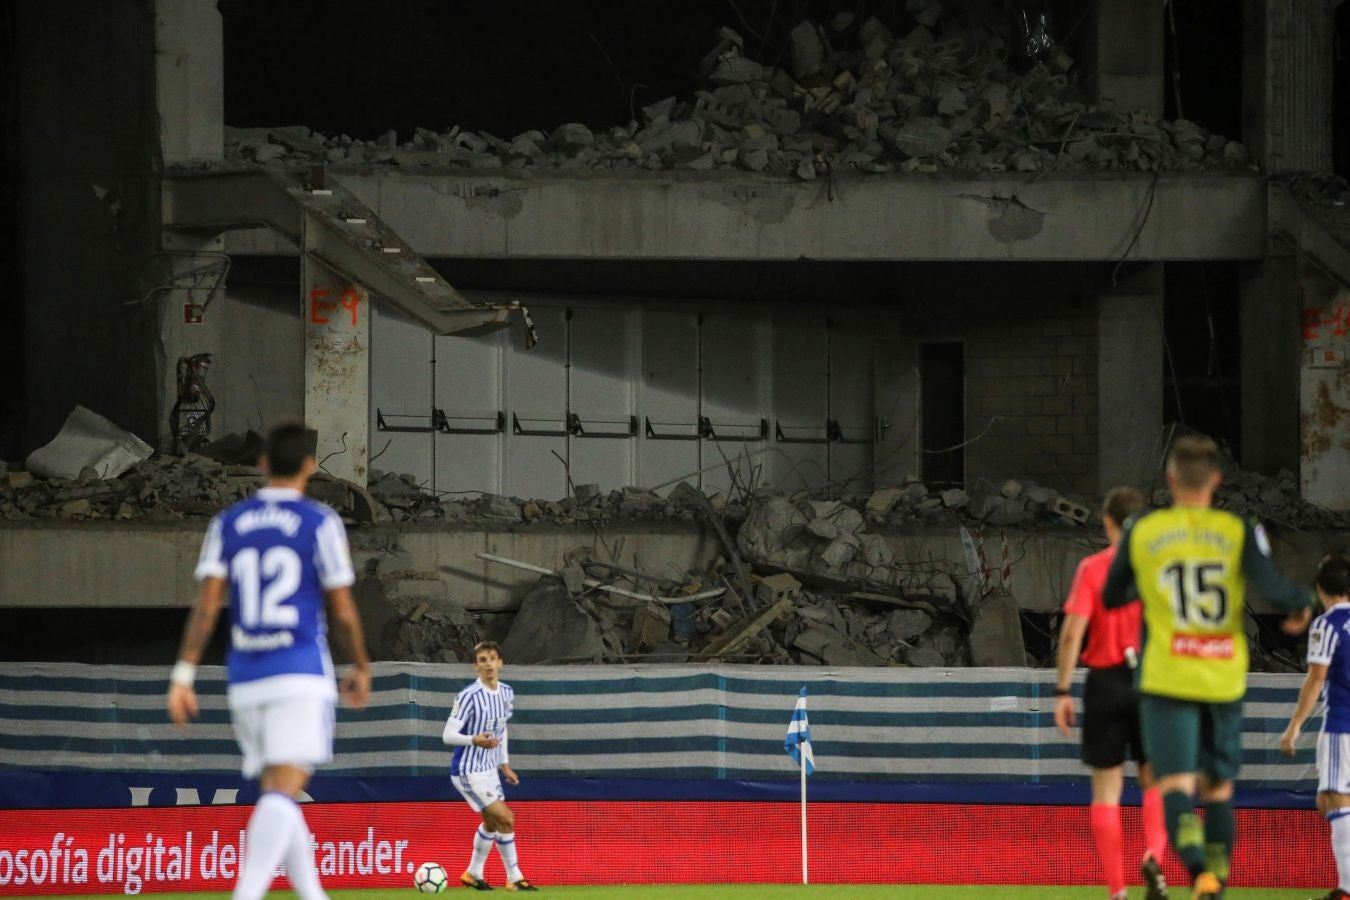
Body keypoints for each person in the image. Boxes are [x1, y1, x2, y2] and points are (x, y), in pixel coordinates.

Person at [166, 422, 372, 900]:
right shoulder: (320, 521)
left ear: (260, 464)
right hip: (299, 671)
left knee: (278, 791)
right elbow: (340, 608)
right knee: (283, 792)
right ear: (309, 466)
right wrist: (360, 663)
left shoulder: (229, 523)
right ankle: (247, 893)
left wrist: (183, 673)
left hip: (246, 677)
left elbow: (207, 605)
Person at [1103, 434, 1314, 900]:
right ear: (1217, 479)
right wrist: (1302, 603)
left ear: (1171, 478)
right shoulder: (1238, 528)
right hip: (1221, 677)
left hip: (1167, 676)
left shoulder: (1144, 531)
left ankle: (1198, 868)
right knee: (1218, 788)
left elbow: (1113, 594)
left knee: (1174, 783)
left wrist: (1150, 589)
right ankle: (1215, 880)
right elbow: (1273, 587)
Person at [1054, 486, 1169, 900]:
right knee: (1155, 781)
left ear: (1107, 523)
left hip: (1105, 682)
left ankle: (1117, 891)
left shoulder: (1093, 568)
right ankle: (1154, 854)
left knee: (1106, 792)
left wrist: (1062, 689)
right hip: (1153, 682)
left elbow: (1071, 634)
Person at [1281, 554, 1350, 900]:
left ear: (1319, 587)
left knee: (1334, 798)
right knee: (1334, 800)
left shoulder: (1328, 624)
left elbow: (1317, 677)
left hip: (1342, 725)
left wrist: (1294, 726)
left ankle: (1346, 890)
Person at [444, 640, 538, 892]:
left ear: (500, 663)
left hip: (490, 770)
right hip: (468, 770)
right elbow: (447, 735)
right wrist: (473, 739)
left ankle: (473, 874)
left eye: (492, 658)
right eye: (482, 660)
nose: (488, 664)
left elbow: (501, 728)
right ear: (476, 666)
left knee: (494, 823)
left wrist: (504, 765)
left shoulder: (506, 693)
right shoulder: (468, 696)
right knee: (507, 816)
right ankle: (515, 878)